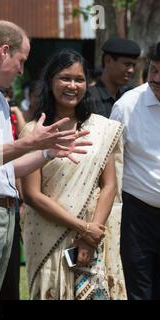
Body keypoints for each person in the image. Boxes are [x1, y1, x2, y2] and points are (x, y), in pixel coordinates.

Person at [0, 20, 92, 300]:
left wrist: (47, 153)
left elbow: (4, 168)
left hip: (4, 213)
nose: (21, 70)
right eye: (21, 60)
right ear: (4, 51)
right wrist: (30, 142)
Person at [20, 49, 126, 300]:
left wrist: (91, 236)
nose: (72, 85)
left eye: (79, 79)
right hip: (49, 233)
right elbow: (32, 194)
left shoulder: (101, 129)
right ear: (50, 81)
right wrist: (83, 228)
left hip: (95, 234)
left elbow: (109, 185)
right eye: (64, 78)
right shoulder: (34, 132)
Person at [110, 42, 160, 300]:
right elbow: (108, 163)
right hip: (137, 215)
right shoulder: (127, 106)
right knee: (139, 290)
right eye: (153, 70)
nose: (156, 79)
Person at [89, 37, 141, 118]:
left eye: (133, 65)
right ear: (108, 60)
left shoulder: (129, 97)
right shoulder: (88, 97)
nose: (131, 70)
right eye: (127, 64)